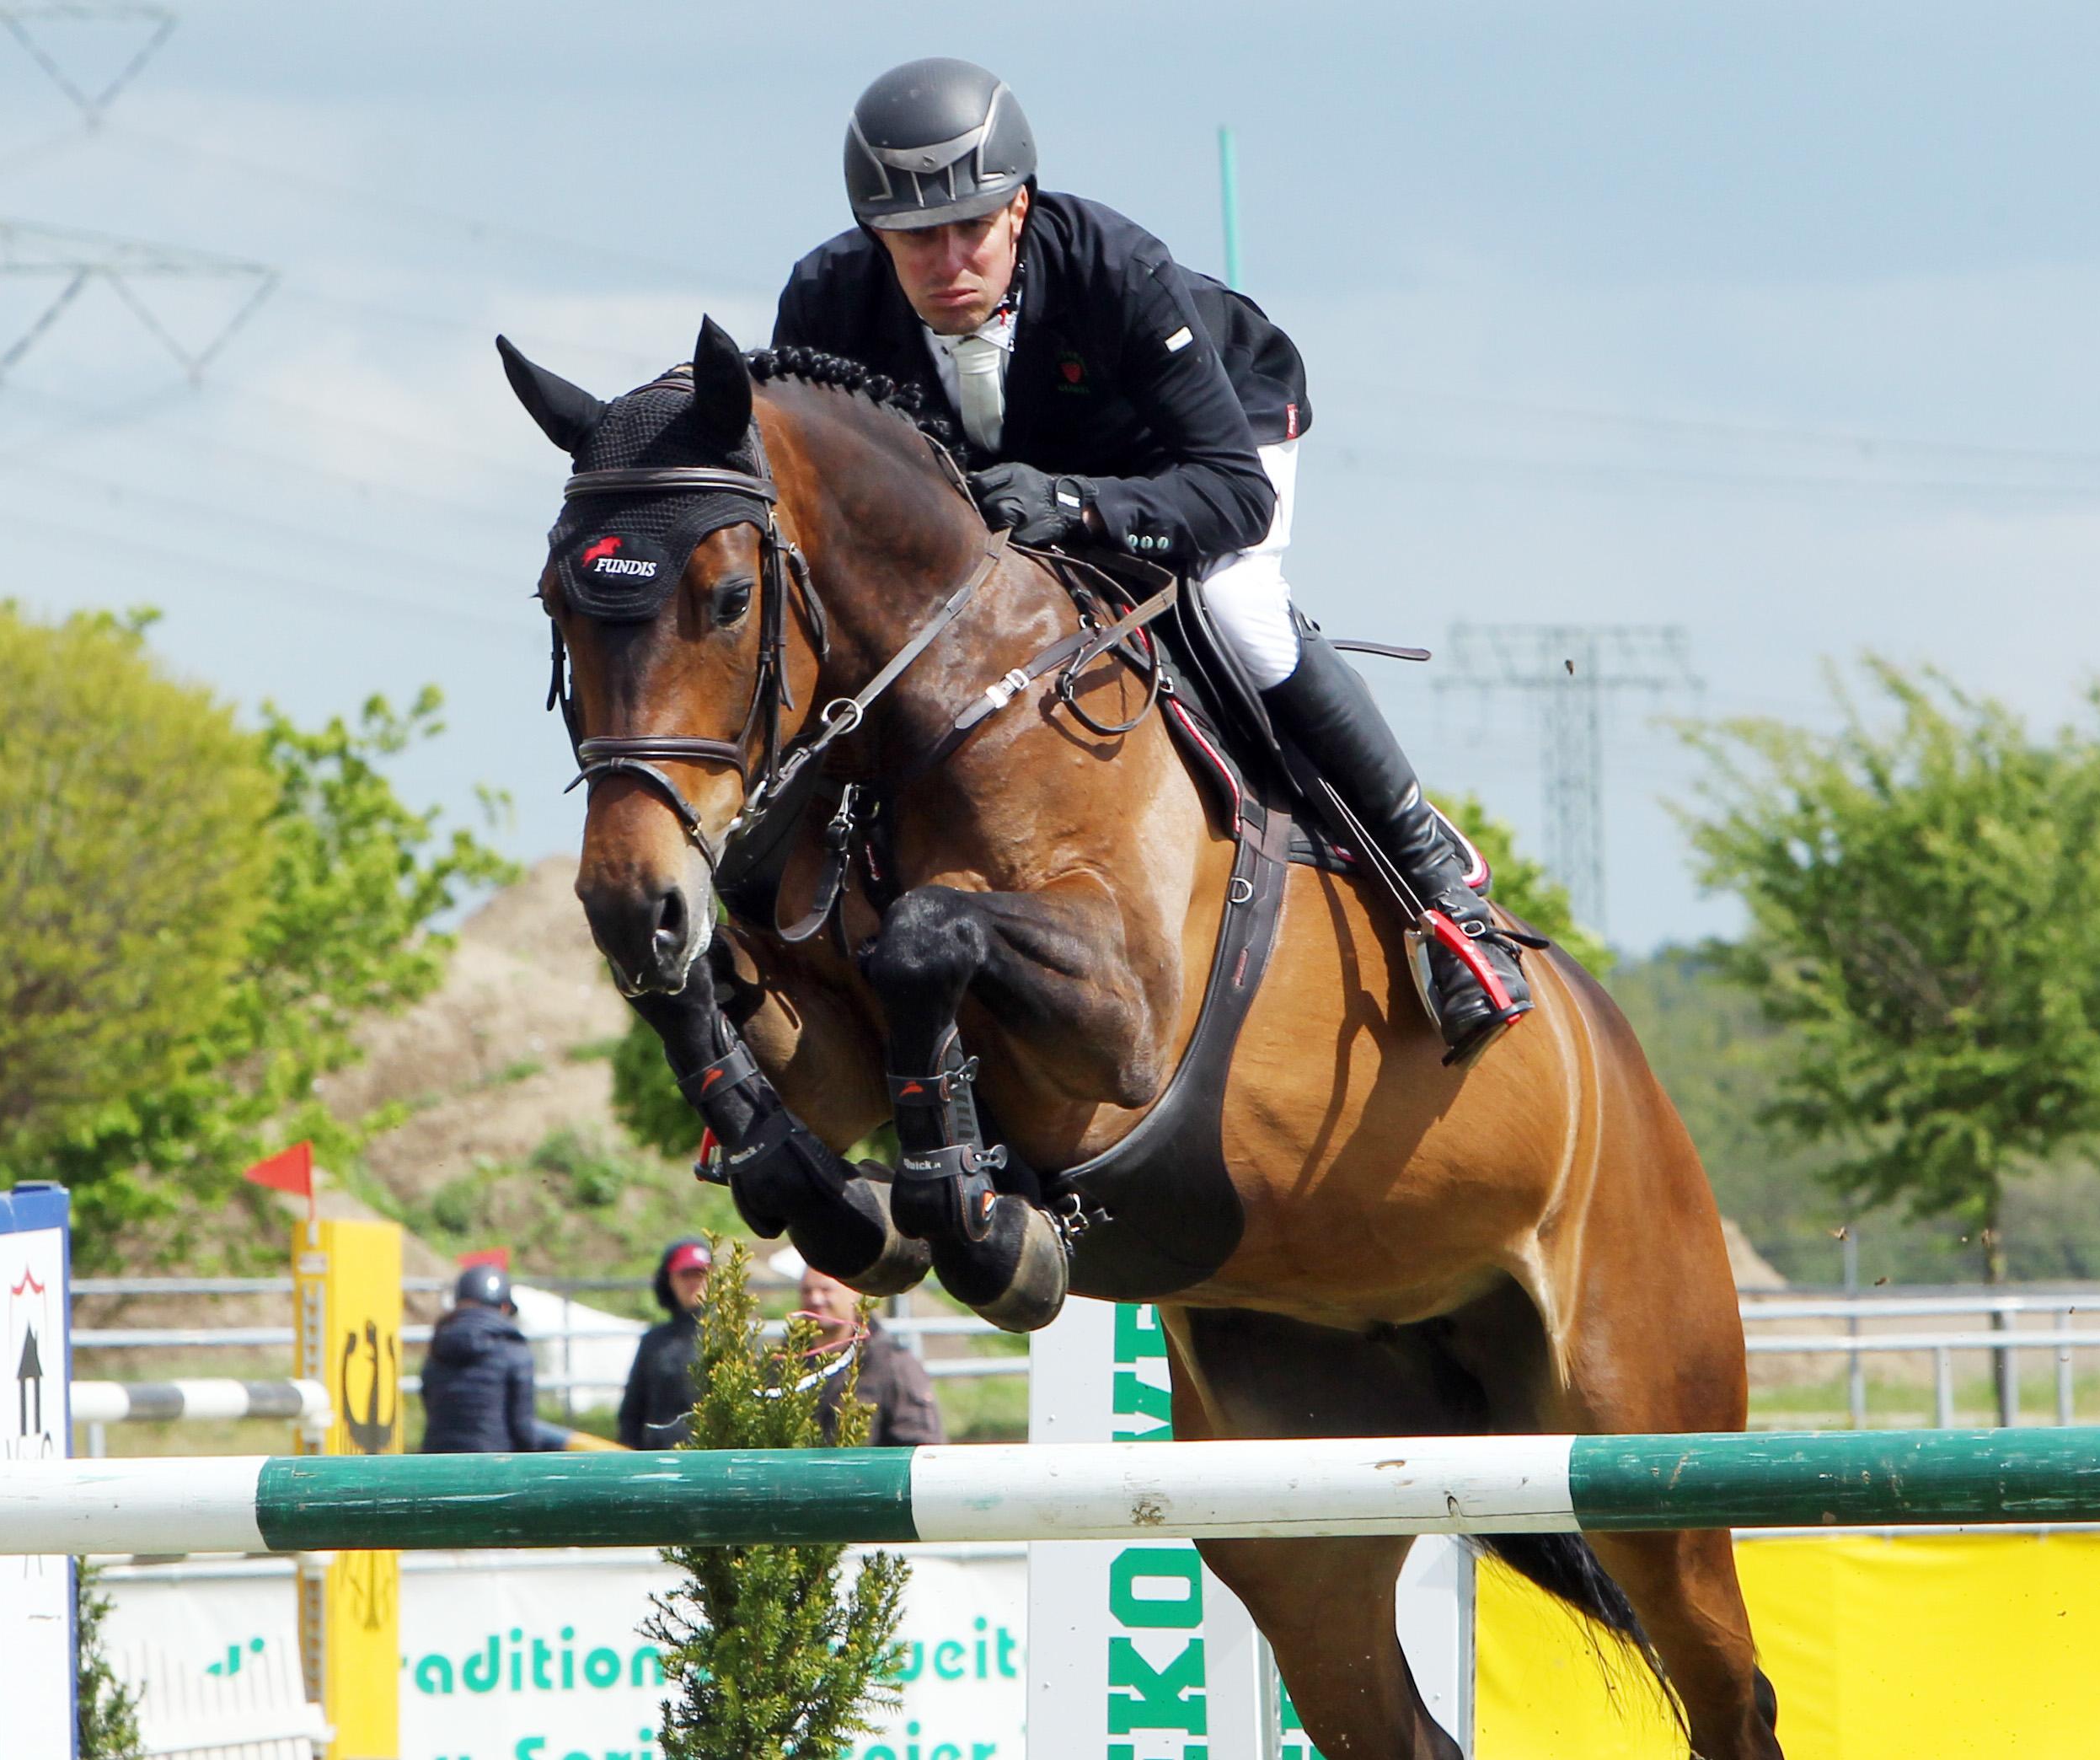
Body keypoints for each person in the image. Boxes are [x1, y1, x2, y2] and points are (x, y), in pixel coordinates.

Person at [772, 58, 1532, 1063]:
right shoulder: (826, 307)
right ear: (876, 234)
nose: (948, 258)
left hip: (1199, 444)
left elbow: (1233, 492)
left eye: (973, 227)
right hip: (1009, 481)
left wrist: (1081, 505)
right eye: (915, 237)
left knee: (1238, 606)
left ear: (1020, 209)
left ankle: (1439, 891)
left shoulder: (1112, 269)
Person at [418, 1263, 561, 1454]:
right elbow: (522, 1428)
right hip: (493, 1465)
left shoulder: (437, 1348)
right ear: (504, 1307)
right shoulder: (514, 1351)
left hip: (437, 1463)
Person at [796, 1266, 944, 1446]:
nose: (815, 1299)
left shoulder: (893, 1365)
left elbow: (923, 1447)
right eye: (807, 1291)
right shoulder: (787, 1364)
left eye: (826, 1290)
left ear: (854, 1292)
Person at [616, 1239, 712, 1449]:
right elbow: (632, 1414)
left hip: (715, 1463)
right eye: (685, 1275)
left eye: (700, 1274)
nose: (694, 1282)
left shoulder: (730, 1338)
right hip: (659, 1461)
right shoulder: (654, 1341)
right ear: (669, 1281)